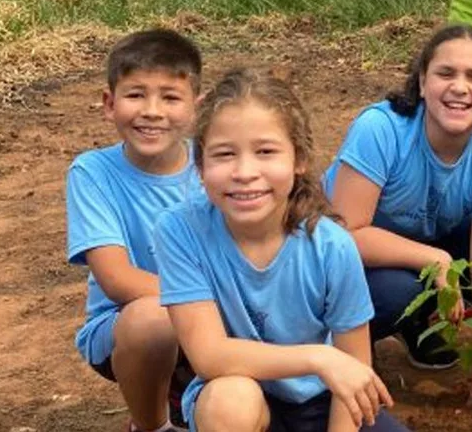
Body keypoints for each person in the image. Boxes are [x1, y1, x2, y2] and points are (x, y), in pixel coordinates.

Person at [153, 69, 411, 432]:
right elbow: (209, 356)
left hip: (324, 398)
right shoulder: (180, 230)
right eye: (224, 154)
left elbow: (353, 369)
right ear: (200, 165)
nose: (245, 172)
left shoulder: (331, 245)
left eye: (266, 151)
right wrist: (318, 357)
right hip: (241, 393)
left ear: (298, 159)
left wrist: (327, 369)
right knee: (231, 402)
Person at [324, 25, 472, 419]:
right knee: (399, 290)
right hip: (333, 259)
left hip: (413, 245)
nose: (459, 87)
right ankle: (336, 348)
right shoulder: (382, 129)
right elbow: (344, 234)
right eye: (446, 73)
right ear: (422, 82)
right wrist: (435, 259)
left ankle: (420, 327)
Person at [66, 28, 204, 432]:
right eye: (136, 94)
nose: (152, 111)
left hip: (220, 315)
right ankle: (151, 425)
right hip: (126, 327)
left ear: (196, 107)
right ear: (109, 104)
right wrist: (209, 306)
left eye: (170, 97)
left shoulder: (215, 164)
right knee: (152, 319)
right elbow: (117, 279)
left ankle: (189, 395)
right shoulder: (93, 173)